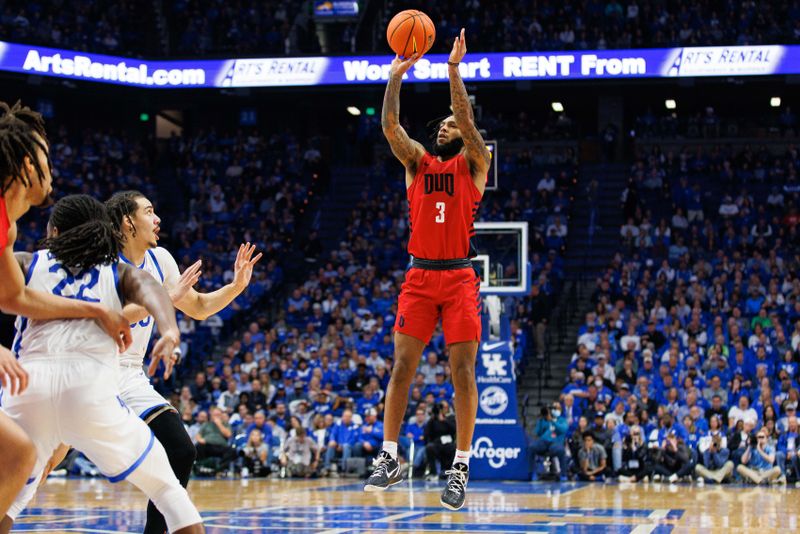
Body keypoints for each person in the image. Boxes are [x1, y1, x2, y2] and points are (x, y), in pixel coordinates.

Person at [0, 195, 202, 533]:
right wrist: (169, 331)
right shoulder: (117, 272)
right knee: (169, 490)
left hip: (28, 388)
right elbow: (150, 288)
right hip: (90, 391)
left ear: (54, 231)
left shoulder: (26, 262)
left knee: (13, 497)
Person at [364, 29, 491, 512]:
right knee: (401, 368)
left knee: (462, 371)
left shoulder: (475, 163)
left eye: (450, 126)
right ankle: (390, 455)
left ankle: (459, 467)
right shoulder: (417, 164)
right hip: (419, 277)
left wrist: (453, 71)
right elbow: (391, 126)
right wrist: (394, 78)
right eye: (439, 125)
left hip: (459, 277)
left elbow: (467, 122)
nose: (443, 128)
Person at [0, 101, 132, 518]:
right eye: (45, 156)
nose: (52, 167)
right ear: (25, 163)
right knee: (19, 455)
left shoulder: (9, 223)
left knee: (20, 455)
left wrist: (97, 312)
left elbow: (14, 297)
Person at [104, 190, 261, 534]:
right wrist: (163, 299)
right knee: (43, 457)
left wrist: (236, 287)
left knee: (181, 449)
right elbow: (108, 318)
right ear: (128, 222)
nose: (158, 219)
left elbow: (200, 308)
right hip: (92, 369)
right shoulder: (103, 262)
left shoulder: (161, 260)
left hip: (130, 374)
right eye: (149, 211)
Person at [528, 404, 568, 481]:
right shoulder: (544, 420)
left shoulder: (562, 420)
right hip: (544, 442)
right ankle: (532, 472)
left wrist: (552, 421)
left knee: (561, 451)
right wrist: (541, 420)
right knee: (531, 448)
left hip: (556, 442)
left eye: (556, 408)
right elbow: (538, 432)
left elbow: (563, 430)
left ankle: (563, 474)